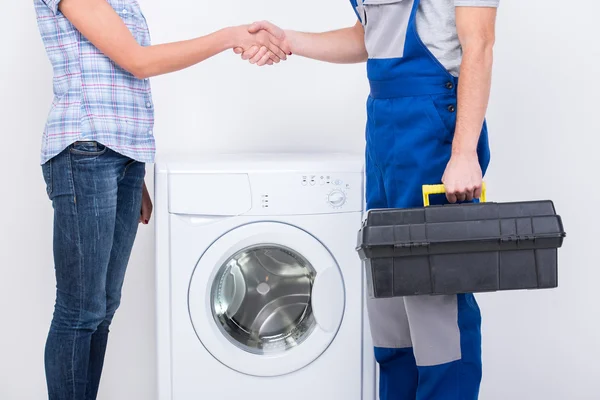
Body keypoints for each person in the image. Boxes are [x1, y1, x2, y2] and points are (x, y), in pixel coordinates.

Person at [235, 1, 498, 399]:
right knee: (388, 296)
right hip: (384, 127)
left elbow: (478, 42)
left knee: (435, 299)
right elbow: (369, 38)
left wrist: (463, 154)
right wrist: (290, 41)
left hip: (434, 128)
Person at [34, 1, 289, 398]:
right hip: (84, 151)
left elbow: (116, 82)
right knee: (80, 310)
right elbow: (137, 61)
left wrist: (135, 176)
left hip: (121, 158)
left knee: (102, 308)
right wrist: (229, 36)